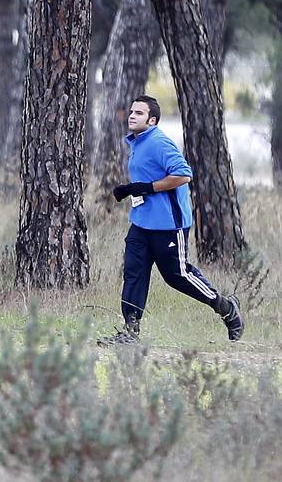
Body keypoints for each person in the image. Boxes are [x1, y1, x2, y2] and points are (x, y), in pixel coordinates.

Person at [97, 95, 244, 346]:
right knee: (134, 274)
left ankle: (226, 307)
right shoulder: (137, 142)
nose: (132, 116)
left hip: (168, 225)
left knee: (178, 276)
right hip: (141, 224)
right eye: (132, 111)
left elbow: (184, 175)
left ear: (152, 120)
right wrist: (133, 189)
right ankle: (130, 333)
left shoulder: (159, 142)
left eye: (139, 113)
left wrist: (146, 188)